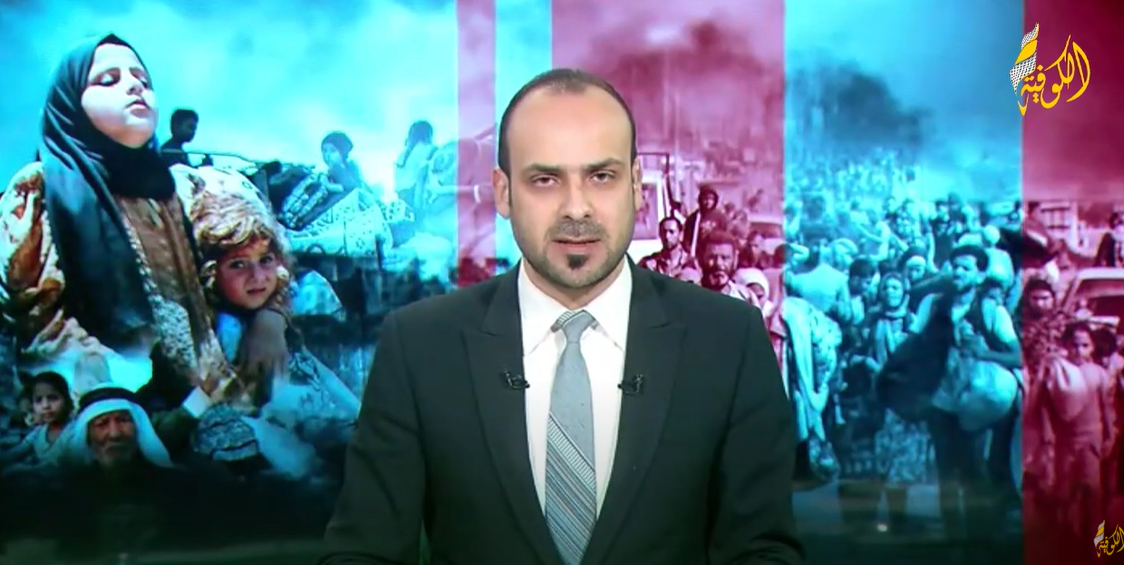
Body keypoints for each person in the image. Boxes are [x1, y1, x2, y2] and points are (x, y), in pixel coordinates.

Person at [320, 68, 803, 565]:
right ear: (503, 192)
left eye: (601, 176)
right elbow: (363, 552)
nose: (577, 208)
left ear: (636, 185)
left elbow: (762, 550)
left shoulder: (728, 341)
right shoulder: (420, 346)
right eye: (545, 180)